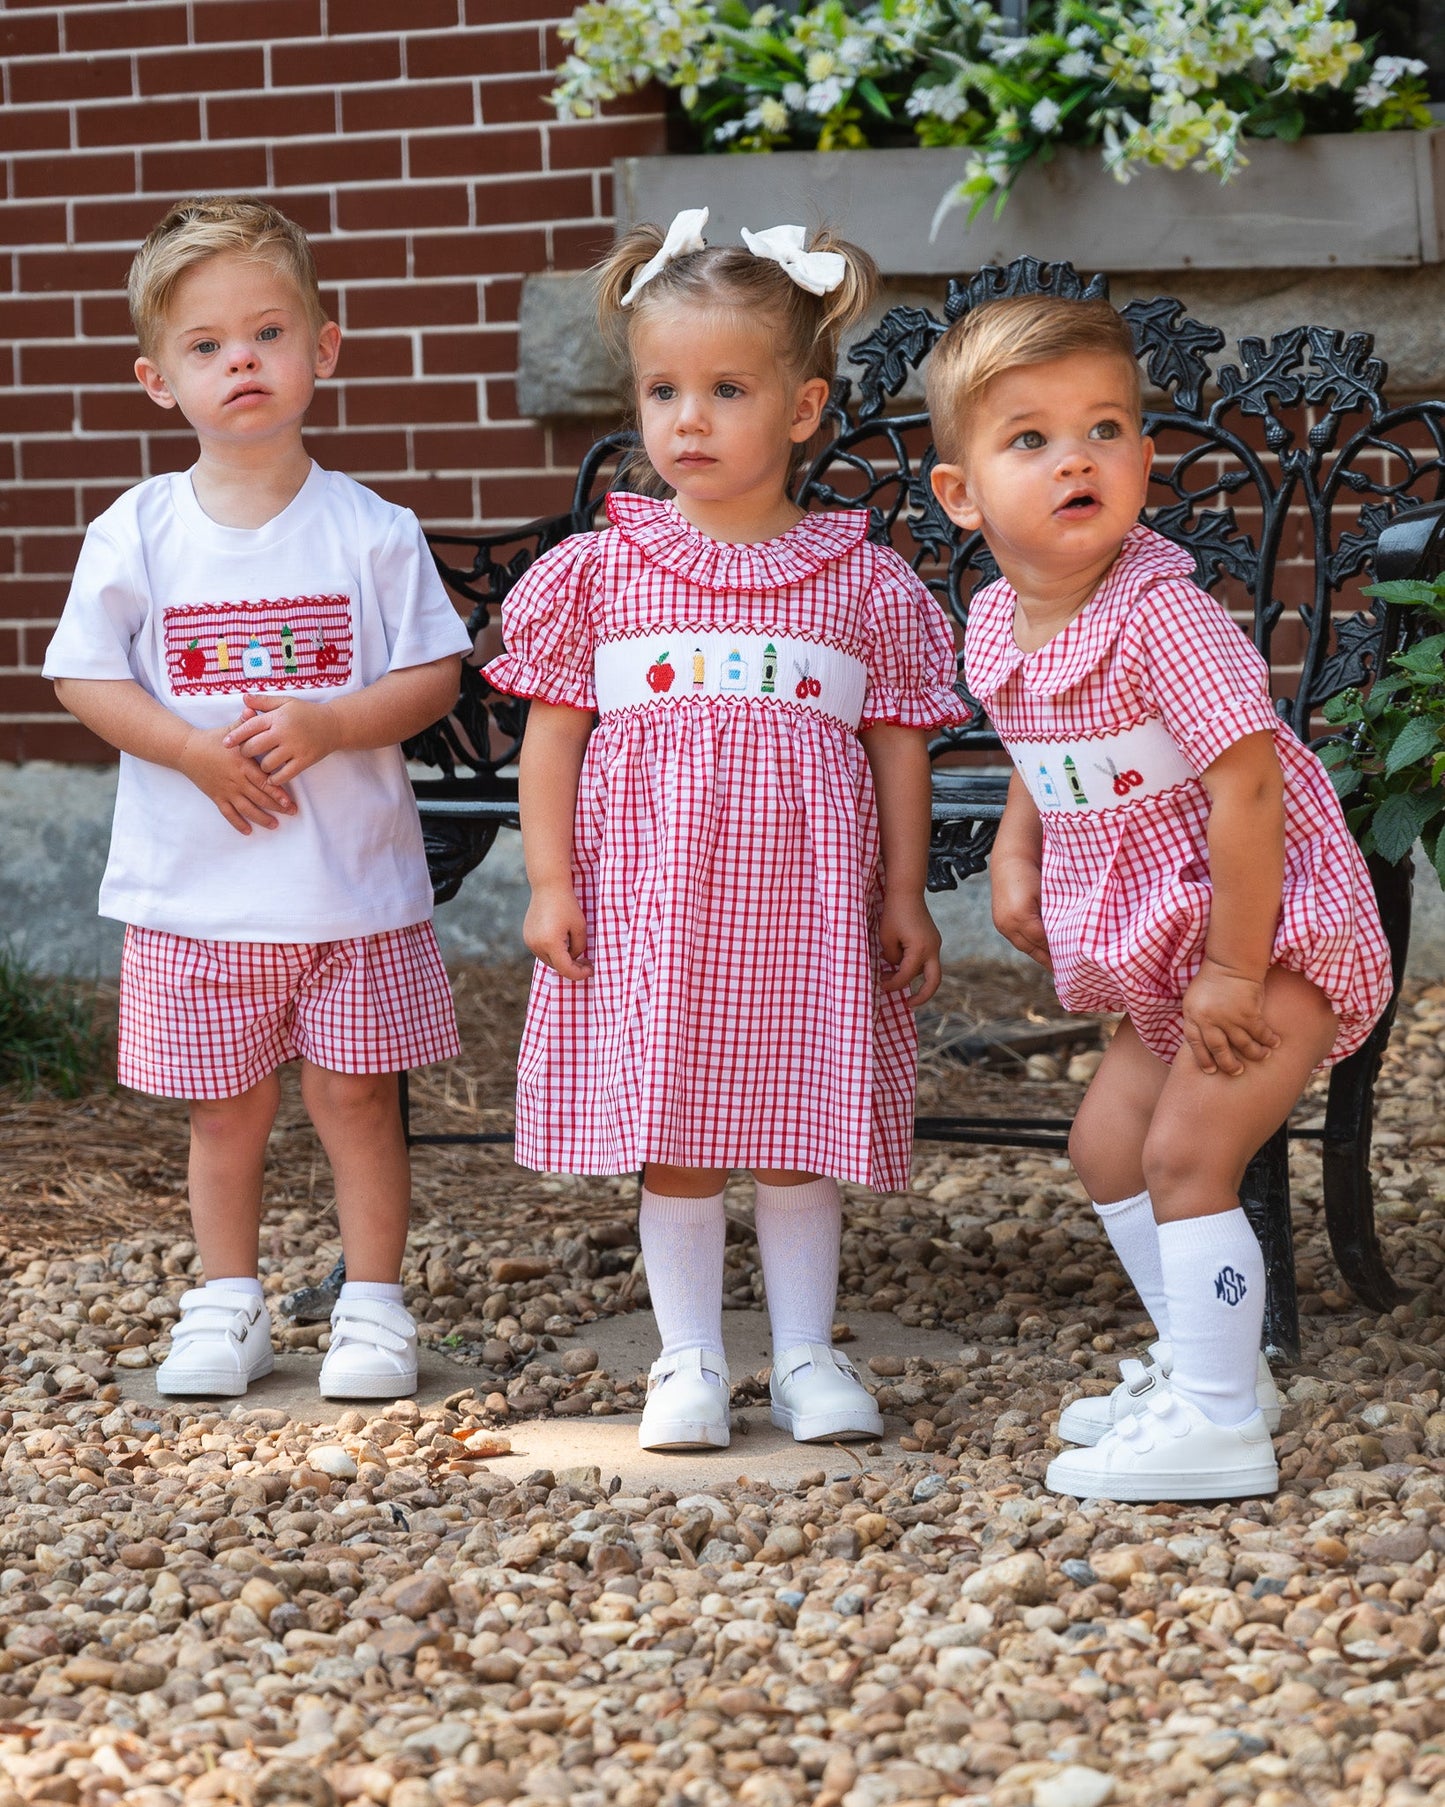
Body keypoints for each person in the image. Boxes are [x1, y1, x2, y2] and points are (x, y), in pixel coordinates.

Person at [484, 208, 969, 1452]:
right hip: (656, 912)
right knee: (678, 1131)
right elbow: (551, 737)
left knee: (796, 1132)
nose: (686, 419)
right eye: (662, 390)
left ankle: (804, 1354)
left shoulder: (859, 580)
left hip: (805, 914)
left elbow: (895, 744)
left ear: (802, 410)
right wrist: (549, 880)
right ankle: (687, 1359)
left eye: (725, 390)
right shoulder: (603, 572)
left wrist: (903, 891)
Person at [926, 294, 1392, 1501]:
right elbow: (1033, 739)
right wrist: (1016, 850)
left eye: (1104, 429)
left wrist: (1234, 970)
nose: (1074, 458)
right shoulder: (999, 621)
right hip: (1166, 941)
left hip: (1266, 927)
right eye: (1028, 438)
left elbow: (1248, 788)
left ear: (1142, 456)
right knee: (1106, 1145)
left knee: (1186, 1156)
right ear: (961, 494)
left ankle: (1222, 1421)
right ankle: (1201, 1364)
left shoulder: (1161, 615)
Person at [44, 196, 471, 1402]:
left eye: (268, 333)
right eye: (207, 344)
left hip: (347, 892)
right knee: (224, 1114)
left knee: (356, 1102)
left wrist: (333, 722)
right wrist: (188, 748)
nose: (242, 360)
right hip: (202, 898)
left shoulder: (369, 530)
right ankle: (225, 1302)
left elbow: (432, 676)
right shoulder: (137, 531)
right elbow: (83, 676)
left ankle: (372, 1307)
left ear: (322, 348)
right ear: (158, 380)